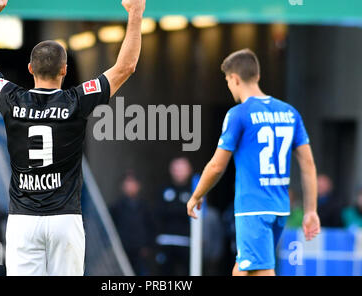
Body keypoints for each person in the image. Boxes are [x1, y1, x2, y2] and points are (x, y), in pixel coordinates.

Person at [0, 0, 145, 276]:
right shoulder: (76, 100)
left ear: (29, 69)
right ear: (65, 70)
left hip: (23, 220)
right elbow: (125, 67)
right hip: (65, 220)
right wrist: (135, 15)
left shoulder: (12, 99)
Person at [187, 49, 320, 276]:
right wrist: (311, 210)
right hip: (279, 207)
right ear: (257, 76)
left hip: (253, 209)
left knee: (262, 272)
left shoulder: (238, 114)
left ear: (235, 79)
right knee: (242, 269)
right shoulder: (290, 113)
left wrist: (197, 195)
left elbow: (217, 166)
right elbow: (308, 165)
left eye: (228, 81)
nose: (229, 86)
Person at [110, 172, 155, 275]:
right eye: (127, 184)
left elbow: (152, 227)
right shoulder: (116, 207)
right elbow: (111, 227)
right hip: (123, 250)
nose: (130, 187)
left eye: (132, 183)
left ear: (138, 186)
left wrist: (148, 246)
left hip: (140, 252)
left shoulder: (145, 207)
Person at [155, 157, 193, 275]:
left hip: (186, 242)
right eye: (176, 169)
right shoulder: (164, 190)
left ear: (189, 170)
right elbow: (159, 213)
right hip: (166, 241)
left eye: (182, 169)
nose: (179, 172)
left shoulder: (194, 191)